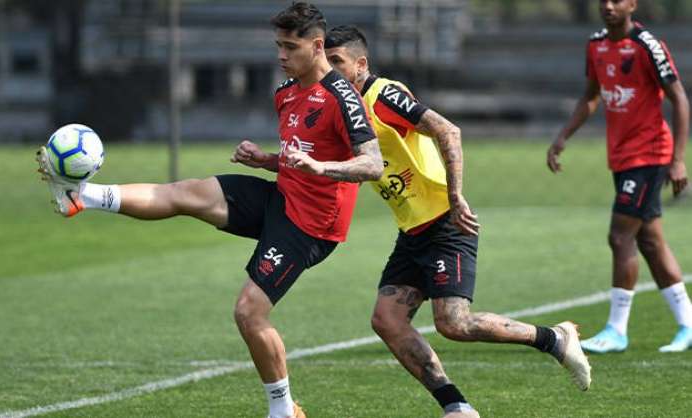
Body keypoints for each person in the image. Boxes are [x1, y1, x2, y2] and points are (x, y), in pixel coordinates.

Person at [37, 3, 383, 418]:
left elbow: (372, 165)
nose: (280, 56)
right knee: (188, 193)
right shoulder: (286, 92)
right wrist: (268, 160)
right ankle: (82, 196)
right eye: (278, 46)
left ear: (317, 46)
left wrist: (319, 168)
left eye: (290, 47)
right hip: (283, 198)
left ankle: (283, 410)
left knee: (249, 312)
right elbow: (303, 154)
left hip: (311, 225)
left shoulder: (341, 97)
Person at [319, 25, 591, 418]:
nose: (329, 69)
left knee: (454, 323)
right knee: (387, 320)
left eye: (337, 62)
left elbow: (449, 129)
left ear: (361, 64)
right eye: (324, 61)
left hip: (445, 222)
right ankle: (457, 407)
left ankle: (553, 338)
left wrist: (455, 194)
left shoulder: (383, 95)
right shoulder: (343, 107)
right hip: (412, 229)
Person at [547, 0, 691, 354]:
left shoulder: (648, 45)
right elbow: (591, 96)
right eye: (604, 1)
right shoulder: (596, 44)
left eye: (618, 0)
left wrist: (678, 160)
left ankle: (616, 330)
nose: (609, 6)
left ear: (633, 4)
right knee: (650, 242)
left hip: (650, 153)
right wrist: (563, 136)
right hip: (622, 156)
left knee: (619, 235)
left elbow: (679, 99)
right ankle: (688, 323)